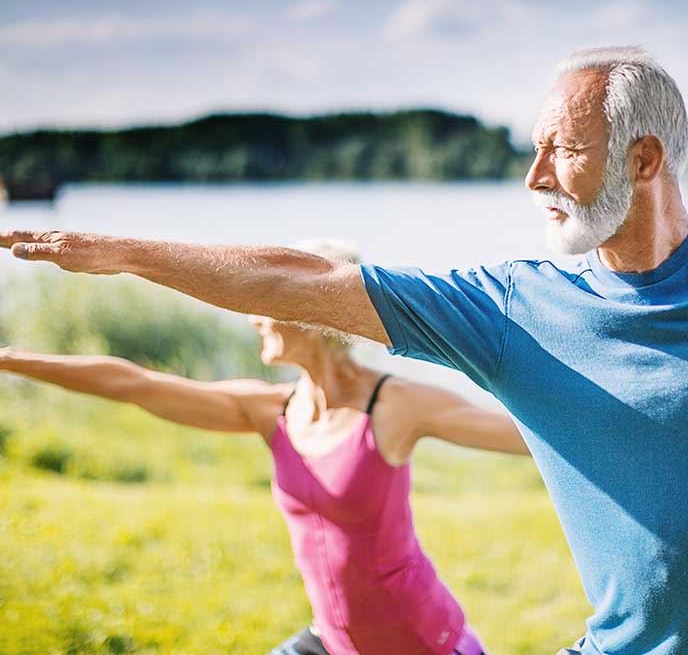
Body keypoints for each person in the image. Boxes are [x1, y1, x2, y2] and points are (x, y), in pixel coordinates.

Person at [2, 45, 688, 654]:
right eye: (534, 147)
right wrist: (121, 253)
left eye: (565, 150)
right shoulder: (514, 307)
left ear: (647, 158)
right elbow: (297, 279)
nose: (535, 177)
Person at [0, 241, 530, 655]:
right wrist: (10, 359)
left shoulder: (394, 406)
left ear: (314, 312)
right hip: (334, 641)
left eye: (263, 302)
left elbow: (526, 438)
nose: (252, 316)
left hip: (419, 643)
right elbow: (135, 384)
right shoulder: (272, 410)